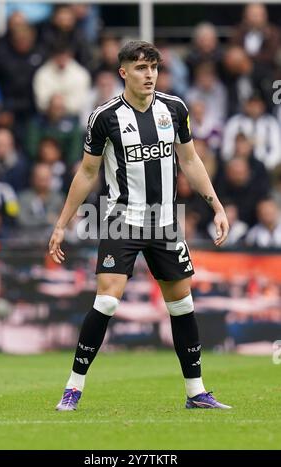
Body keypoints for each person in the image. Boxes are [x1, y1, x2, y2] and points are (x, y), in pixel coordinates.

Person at [49, 41, 231, 411]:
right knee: (106, 301)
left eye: (153, 68)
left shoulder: (175, 109)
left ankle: (196, 392)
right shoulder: (105, 116)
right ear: (124, 73)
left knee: (182, 307)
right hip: (122, 221)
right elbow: (87, 172)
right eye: (140, 68)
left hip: (165, 223)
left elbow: (191, 161)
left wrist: (216, 206)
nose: (149, 75)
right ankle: (73, 387)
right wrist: (61, 223)